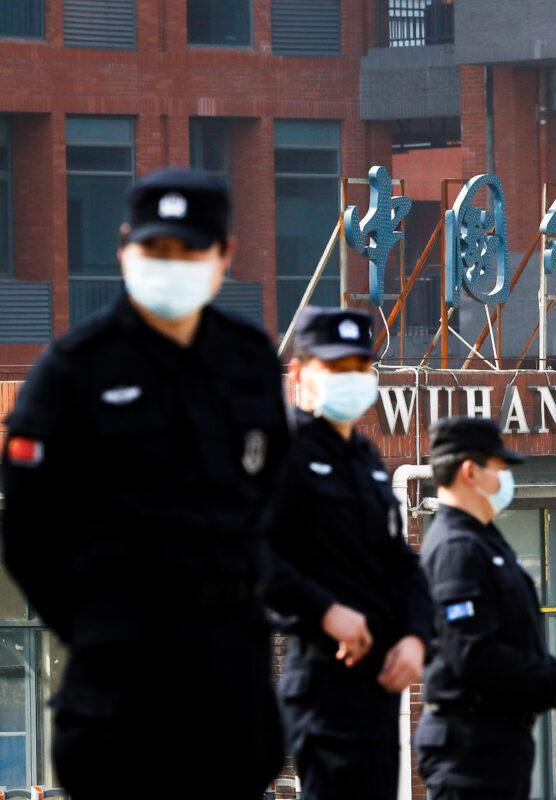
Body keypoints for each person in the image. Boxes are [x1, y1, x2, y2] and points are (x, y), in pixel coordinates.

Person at [0, 168, 285, 799]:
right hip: (121, 678)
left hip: (228, 677)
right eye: (156, 251)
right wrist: (100, 624)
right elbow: (27, 531)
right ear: (125, 248)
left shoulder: (249, 360)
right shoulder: (75, 371)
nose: (171, 266)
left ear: (224, 256)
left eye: (190, 251)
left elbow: (272, 493)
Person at [266, 306, 433, 800]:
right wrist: (326, 612)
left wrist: (417, 637)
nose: (353, 378)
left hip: (378, 686)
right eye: (336, 367)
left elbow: (400, 564)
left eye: (362, 366)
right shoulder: (282, 450)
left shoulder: (366, 459)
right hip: (323, 681)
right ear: (298, 373)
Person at [414, 416, 556, 800]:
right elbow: (472, 653)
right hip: (471, 746)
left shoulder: (483, 541)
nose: (506, 479)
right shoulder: (456, 548)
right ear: (470, 472)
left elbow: (514, 635)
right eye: (499, 469)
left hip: (494, 744)